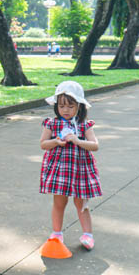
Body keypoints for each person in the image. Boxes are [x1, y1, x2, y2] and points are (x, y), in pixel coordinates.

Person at [39, 81, 101, 250]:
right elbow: (43, 144)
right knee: (59, 202)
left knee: (82, 204)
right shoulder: (51, 123)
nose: (65, 110)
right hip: (60, 170)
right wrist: (55, 141)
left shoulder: (84, 125)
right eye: (61, 106)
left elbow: (95, 145)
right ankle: (56, 233)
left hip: (80, 170)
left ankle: (87, 234)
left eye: (70, 106)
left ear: (79, 106)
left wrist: (78, 141)